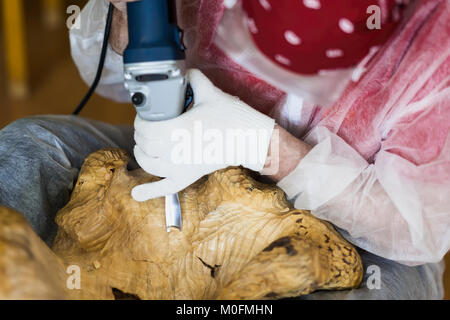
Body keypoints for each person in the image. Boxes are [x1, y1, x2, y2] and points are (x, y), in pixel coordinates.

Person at [0, 0, 448, 299]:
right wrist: (127, 22)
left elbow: (413, 227)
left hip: (355, 221)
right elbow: (114, 81)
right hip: (179, 146)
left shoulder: (438, 48)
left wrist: (265, 148)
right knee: (31, 147)